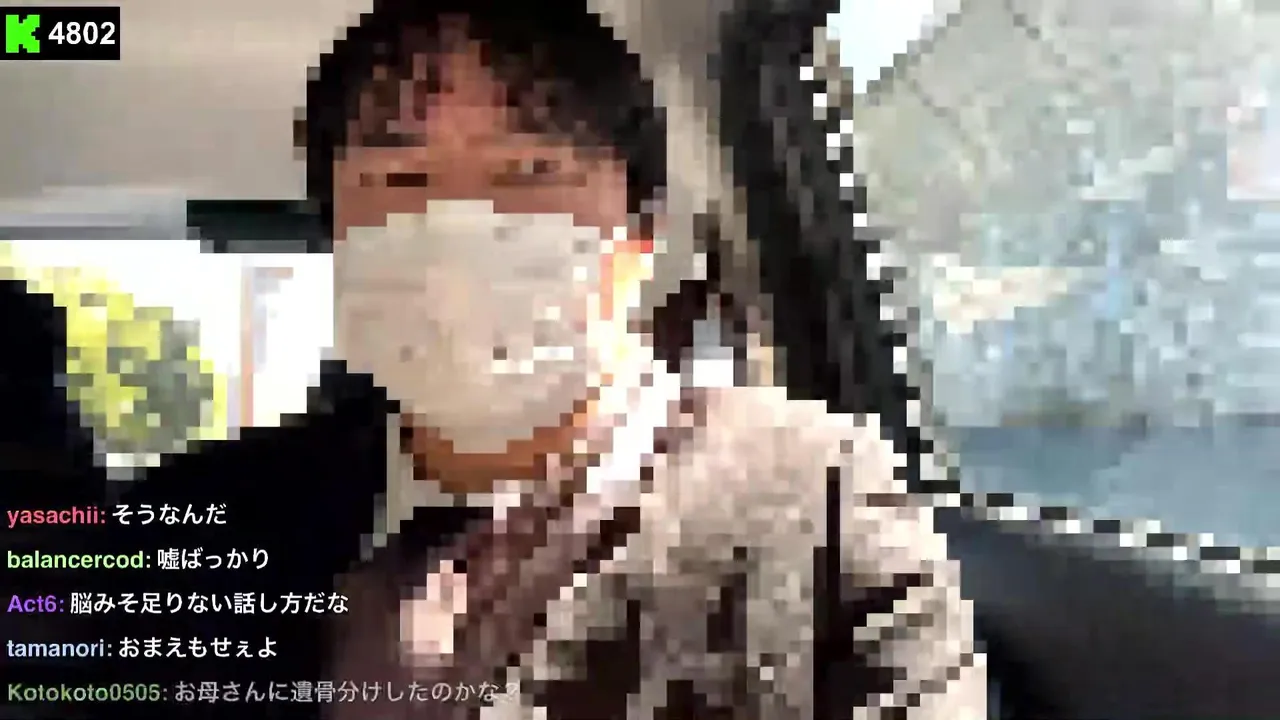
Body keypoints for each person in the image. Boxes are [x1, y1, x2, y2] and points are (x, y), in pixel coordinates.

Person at [90, 1, 985, 719]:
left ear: (640, 237)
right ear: (336, 233)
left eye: (529, 172)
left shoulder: (819, 500)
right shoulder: (185, 527)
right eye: (400, 180)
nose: (456, 228)